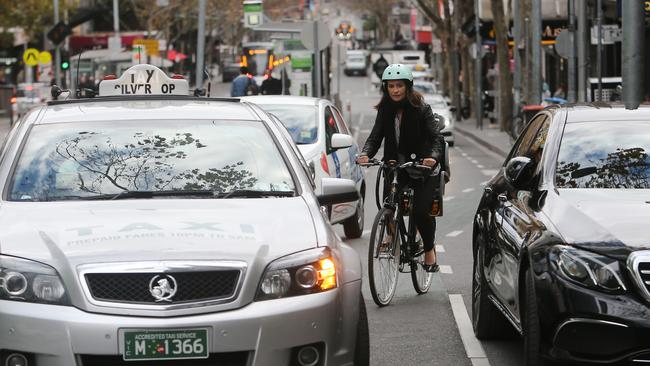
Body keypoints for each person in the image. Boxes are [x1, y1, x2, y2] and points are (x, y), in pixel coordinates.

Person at [356, 64, 445, 272]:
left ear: (408, 86)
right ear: (385, 88)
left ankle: (429, 250)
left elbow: (437, 139)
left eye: (399, 86)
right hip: (395, 167)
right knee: (389, 203)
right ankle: (391, 231)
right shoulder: (385, 110)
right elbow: (375, 136)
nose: (395, 90)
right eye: (391, 86)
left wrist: (432, 158)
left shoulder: (422, 109)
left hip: (421, 169)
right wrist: (366, 153)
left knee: (421, 210)